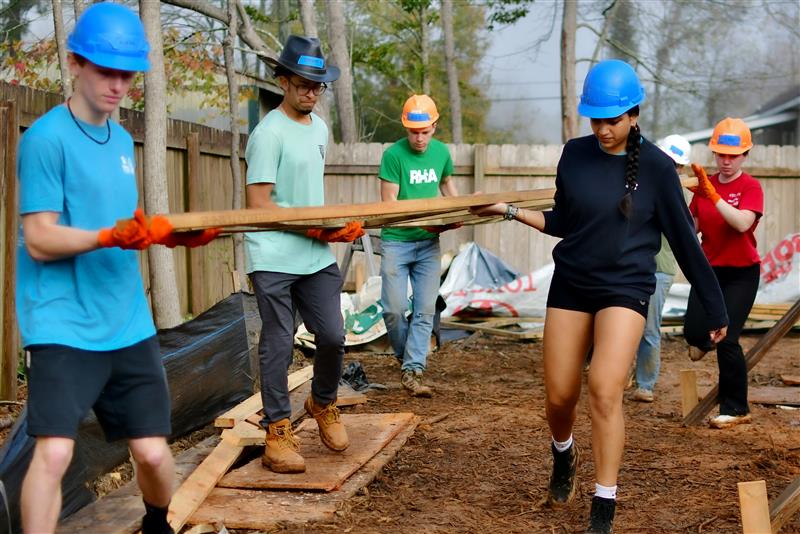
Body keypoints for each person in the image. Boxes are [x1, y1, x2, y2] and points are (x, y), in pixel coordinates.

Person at [471, 60, 728, 533]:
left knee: (605, 388)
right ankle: (563, 453)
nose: (603, 129)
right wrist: (508, 210)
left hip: (626, 288)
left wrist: (714, 305)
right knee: (559, 398)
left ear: (633, 115)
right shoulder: (574, 154)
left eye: (612, 120)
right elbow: (564, 222)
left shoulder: (654, 167)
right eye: (596, 120)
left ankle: (603, 505)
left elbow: (684, 242)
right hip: (572, 284)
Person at [15, 4, 216, 533]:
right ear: (75, 62)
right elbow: (38, 237)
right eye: (106, 70)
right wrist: (108, 235)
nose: (119, 84)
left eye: (127, 73)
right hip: (62, 323)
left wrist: (172, 237)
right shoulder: (44, 139)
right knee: (54, 455)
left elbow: (126, 228)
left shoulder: (124, 141)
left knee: (151, 453)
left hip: (125, 319)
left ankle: (156, 525)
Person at [245, 35, 363, 474]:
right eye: (302, 84)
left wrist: (335, 226)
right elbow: (259, 205)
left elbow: (311, 194)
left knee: (332, 335)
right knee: (278, 341)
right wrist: (314, 225)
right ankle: (277, 432)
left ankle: (323, 402)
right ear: (283, 82)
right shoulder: (267, 134)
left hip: (314, 252)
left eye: (318, 85)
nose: (311, 92)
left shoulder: (320, 130)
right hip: (273, 253)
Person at [684, 118, 763, 430]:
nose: (726, 161)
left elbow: (742, 223)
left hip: (742, 273)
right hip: (710, 271)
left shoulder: (750, 187)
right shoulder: (703, 185)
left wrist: (713, 195)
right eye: (721, 155)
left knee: (727, 337)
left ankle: (736, 408)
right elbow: (693, 230)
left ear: (744, 155)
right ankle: (705, 341)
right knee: (693, 334)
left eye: (733, 155)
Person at [378, 94, 459, 398]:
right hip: (397, 241)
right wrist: (421, 221)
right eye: (414, 132)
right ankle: (405, 358)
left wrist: (458, 213)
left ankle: (413, 369)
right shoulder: (393, 155)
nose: (420, 138)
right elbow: (389, 204)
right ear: (405, 128)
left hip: (428, 244)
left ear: (434, 127)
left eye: (425, 132)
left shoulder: (441, 153)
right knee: (394, 310)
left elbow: (450, 191)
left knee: (425, 310)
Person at [628, 135, 690, 403]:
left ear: (681, 169)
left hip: (659, 269)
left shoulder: (675, 195)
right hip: (630, 265)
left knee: (649, 329)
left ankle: (645, 385)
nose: (670, 168)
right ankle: (616, 375)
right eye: (668, 162)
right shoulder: (639, 185)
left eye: (675, 165)